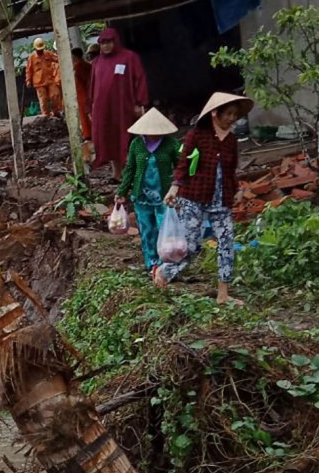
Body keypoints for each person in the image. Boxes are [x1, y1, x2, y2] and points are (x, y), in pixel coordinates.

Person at [154, 92, 253, 305]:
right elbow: (182, 165)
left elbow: (231, 169)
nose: (231, 119)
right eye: (228, 114)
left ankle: (223, 294)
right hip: (194, 197)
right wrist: (174, 188)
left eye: (235, 115)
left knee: (226, 243)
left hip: (221, 200)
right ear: (215, 113)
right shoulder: (197, 135)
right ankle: (164, 272)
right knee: (190, 244)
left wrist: (235, 190)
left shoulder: (232, 140)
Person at [117, 108, 182, 274]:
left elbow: (182, 166)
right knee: (147, 230)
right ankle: (151, 263)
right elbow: (130, 169)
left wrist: (178, 185)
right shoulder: (137, 145)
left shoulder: (171, 144)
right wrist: (122, 192)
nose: (153, 135)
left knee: (164, 229)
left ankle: (164, 263)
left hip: (164, 196)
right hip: (142, 196)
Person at [88, 27, 149, 174]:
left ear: (116, 41)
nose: (106, 46)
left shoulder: (129, 57)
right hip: (104, 110)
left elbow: (140, 79)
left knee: (133, 138)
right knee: (109, 139)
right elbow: (92, 86)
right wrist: (90, 108)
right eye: (103, 43)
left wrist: (139, 102)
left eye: (109, 42)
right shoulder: (96, 62)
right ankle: (117, 174)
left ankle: (140, 171)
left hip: (125, 107)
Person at [24, 38, 62, 118]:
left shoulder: (48, 54)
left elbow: (58, 59)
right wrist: (28, 81)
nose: (40, 51)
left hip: (50, 80)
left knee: (55, 95)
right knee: (43, 100)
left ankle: (56, 112)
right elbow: (28, 70)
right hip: (39, 83)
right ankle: (46, 115)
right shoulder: (32, 58)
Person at [72, 45, 93, 146]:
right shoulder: (87, 65)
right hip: (85, 93)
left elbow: (85, 80)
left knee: (84, 115)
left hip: (83, 94)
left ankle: (88, 135)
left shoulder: (79, 66)